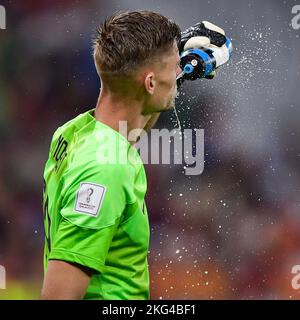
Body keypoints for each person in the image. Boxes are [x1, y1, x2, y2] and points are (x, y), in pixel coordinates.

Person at [40, 10, 231, 300]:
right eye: (175, 66)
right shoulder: (105, 169)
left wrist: (172, 72)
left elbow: (135, 120)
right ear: (150, 83)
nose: (179, 70)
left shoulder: (75, 131)